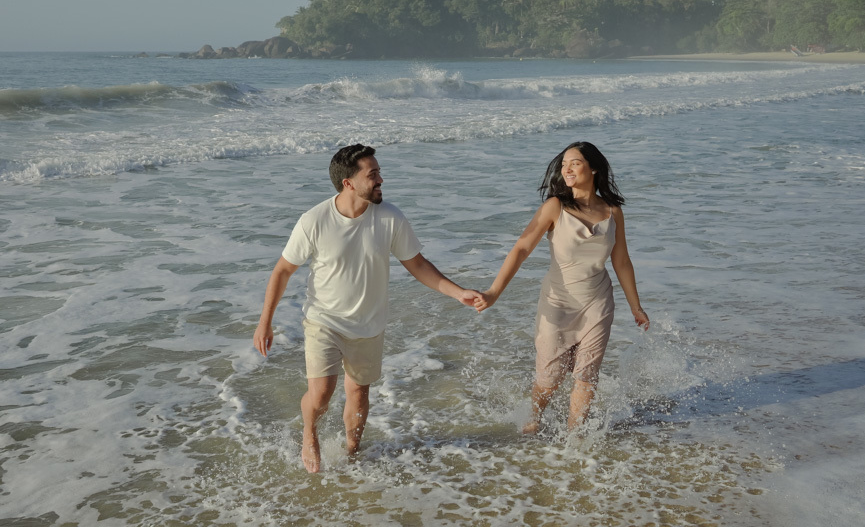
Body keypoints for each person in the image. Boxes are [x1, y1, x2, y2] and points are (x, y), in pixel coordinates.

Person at [254, 144, 479, 473]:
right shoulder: (314, 221)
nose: (380, 180)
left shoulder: (390, 217)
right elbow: (282, 271)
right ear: (348, 182)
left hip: (369, 324)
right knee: (321, 396)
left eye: (378, 173)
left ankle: (352, 453)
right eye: (372, 174)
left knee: (358, 393)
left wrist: (457, 293)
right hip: (324, 321)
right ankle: (309, 432)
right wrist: (265, 322)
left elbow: (417, 264)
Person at [474, 141, 650, 434]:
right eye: (564, 164)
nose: (566, 169)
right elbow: (521, 248)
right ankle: (534, 418)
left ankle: (574, 441)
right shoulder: (555, 207)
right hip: (558, 303)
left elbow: (621, 261)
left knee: (586, 376)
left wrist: (636, 306)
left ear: (593, 168)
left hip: (598, 302)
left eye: (575, 163)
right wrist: (493, 293)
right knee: (550, 377)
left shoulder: (612, 212)